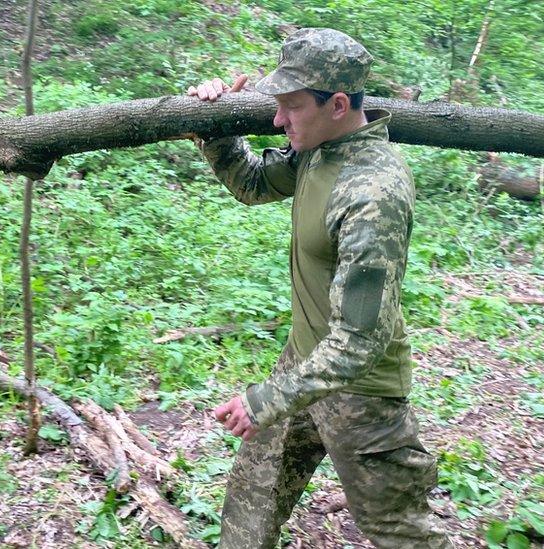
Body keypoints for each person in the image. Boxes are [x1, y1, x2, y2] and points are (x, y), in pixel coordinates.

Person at [186, 28, 454, 548]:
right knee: (249, 507)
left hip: (363, 397)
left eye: (290, 107)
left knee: (401, 535)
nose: (277, 120)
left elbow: (359, 341)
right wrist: (216, 124)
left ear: (336, 105)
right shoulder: (318, 149)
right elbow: (253, 182)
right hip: (303, 365)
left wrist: (265, 401)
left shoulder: (371, 191)